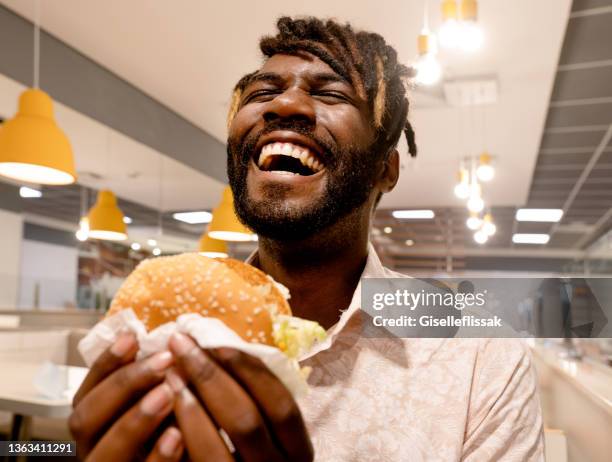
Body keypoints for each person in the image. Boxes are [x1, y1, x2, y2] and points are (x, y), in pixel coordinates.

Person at [69, 16, 544, 461]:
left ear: (386, 169)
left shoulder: (478, 352)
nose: (285, 104)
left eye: (332, 94)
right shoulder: (156, 324)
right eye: (263, 92)